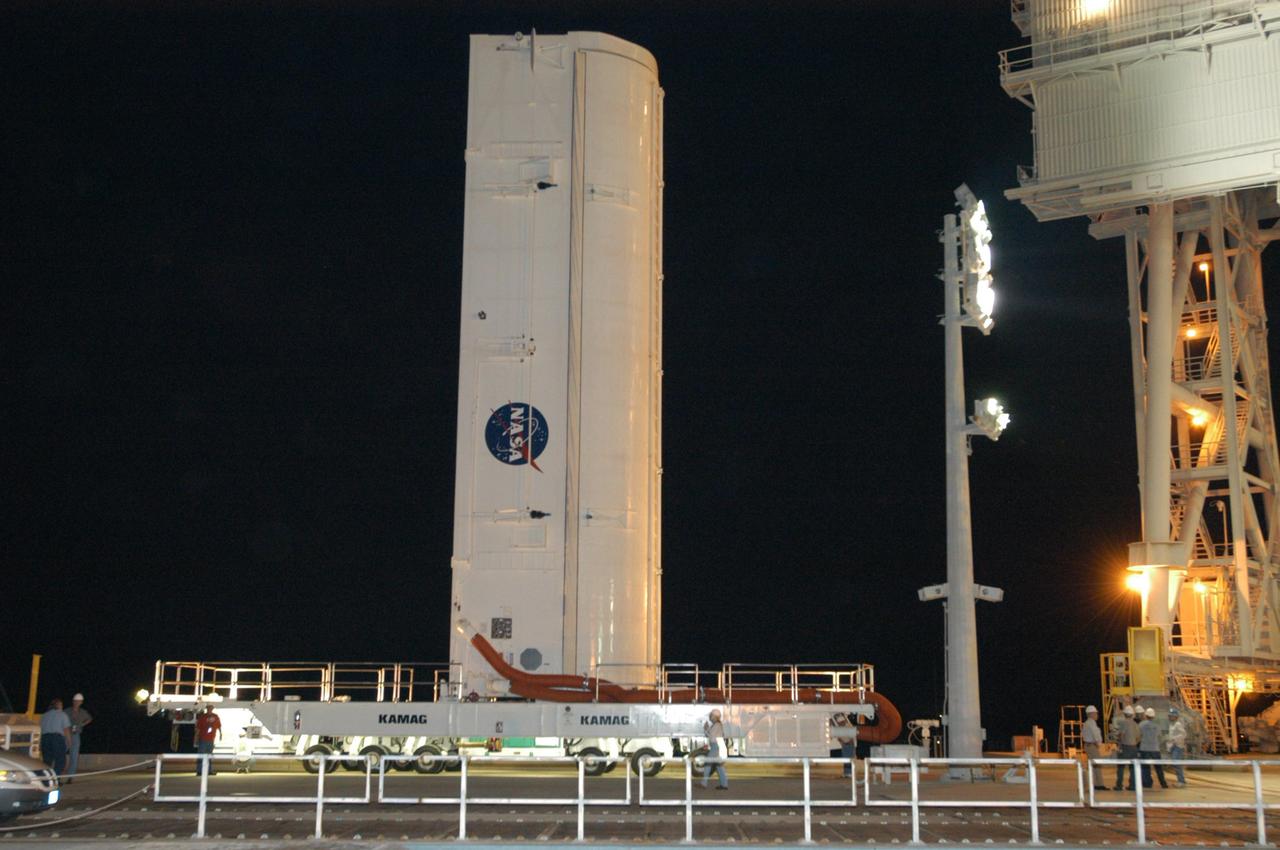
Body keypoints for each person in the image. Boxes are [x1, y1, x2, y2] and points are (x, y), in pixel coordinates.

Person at [39, 698, 73, 775]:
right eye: (61, 705)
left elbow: (40, 730)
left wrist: (40, 743)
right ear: (58, 705)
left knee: (47, 762)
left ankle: (46, 779)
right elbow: (66, 729)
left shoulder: (44, 716)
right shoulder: (62, 715)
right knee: (60, 761)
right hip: (57, 739)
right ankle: (56, 779)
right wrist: (69, 741)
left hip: (45, 739)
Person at [1137, 707, 1168, 789]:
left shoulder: (1141, 724)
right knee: (1158, 768)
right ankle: (1163, 783)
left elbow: (1138, 736)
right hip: (1155, 749)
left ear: (1145, 715)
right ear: (1153, 716)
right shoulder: (1157, 726)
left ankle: (1147, 784)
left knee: (1145, 768)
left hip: (1144, 748)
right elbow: (1160, 737)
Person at [66, 693, 94, 782]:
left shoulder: (83, 712)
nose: (77, 703)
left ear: (81, 702)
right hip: (66, 734)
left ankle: (70, 776)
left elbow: (90, 718)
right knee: (61, 755)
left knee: (74, 756)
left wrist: (82, 724)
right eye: (75, 701)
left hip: (76, 735)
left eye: (78, 701)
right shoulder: (67, 711)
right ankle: (58, 775)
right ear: (73, 701)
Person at [1113, 704, 1140, 791]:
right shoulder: (1135, 724)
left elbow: (1121, 735)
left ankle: (1119, 785)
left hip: (1125, 747)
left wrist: (1119, 743)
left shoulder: (1124, 723)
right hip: (1134, 747)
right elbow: (1139, 737)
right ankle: (1133, 785)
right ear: (1132, 714)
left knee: (1121, 767)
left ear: (1124, 714)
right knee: (1133, 768)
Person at [699, 709, 728, 790]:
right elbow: (711, 735)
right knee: (719, 766)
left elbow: (711, 736)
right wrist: (707, 729)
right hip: (718, 745)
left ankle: (704, 783)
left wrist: (706, 728)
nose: (710, 717)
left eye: (711, 715)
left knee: (708, 763)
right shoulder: (717, 724)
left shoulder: (717, 725)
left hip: (716, 746)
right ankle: (724, 785)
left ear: (715, 716)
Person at [1081, 705, 1106, 790]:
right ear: (1091, 714)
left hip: (1088, 745)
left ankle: (1096, 784)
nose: (1097, 715)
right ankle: (1099, 785)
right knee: (1097, 764)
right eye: (1096, 713)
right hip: (1092, 746)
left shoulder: (1086, 723)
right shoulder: (1091, 723)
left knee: (1093, 765)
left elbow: (1083, 735)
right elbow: (1096, 735)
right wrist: (1099, 744)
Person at [194, 704, 222, 776]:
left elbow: (219, 726)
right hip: (203, 738)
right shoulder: (202, 717)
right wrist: (196, 738)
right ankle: (199, 771)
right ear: (206, 709)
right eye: (209, 708)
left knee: (209, 755)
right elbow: (198, 728)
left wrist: (221, 734)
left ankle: (209, 770)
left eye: (211, 708)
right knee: (201, 755)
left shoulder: (216, 717)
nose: (210, 709)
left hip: (211, 739)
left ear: (213, 709)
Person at [1167, 707, 1187, 787]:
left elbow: (1184, 734)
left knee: (1177, 764)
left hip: (1178, 747)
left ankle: (1181, 781)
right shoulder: (1172, 724)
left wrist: (1174, 740)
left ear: (1175, 716)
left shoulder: (1178, 724)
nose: (1170, 717)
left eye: (1171, 716)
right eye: (1169, 715)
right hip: (1173, 747)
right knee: (1176, 764)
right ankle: (1180, 781)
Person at [832, 713, 855, 778]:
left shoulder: (848, 727)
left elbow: (852, 738)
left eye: (841, 723)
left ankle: (850, 773)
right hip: (845, 745)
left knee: (849, 760)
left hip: (849, 745)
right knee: (845, 760)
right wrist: (842, 743)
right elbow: (839, 737)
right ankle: (846, 773)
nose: (840, 724)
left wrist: (852, 746)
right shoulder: (839, 728)